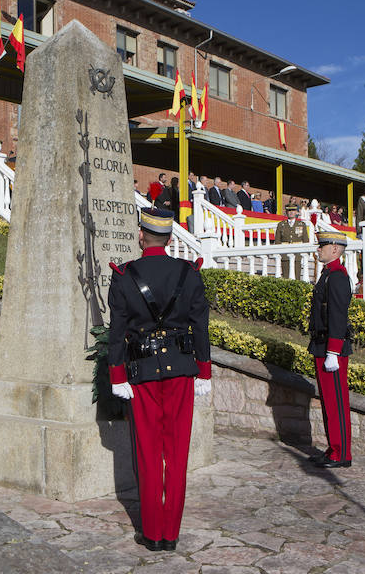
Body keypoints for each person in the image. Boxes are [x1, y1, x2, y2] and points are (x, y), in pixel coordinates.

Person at [106, 207, 211, 552]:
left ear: (142, 235)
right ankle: (171, 533)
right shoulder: (189, 272)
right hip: (181, 371)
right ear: (168, 239)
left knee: (149, 453)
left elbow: (117, 331)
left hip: (143, 373)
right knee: (177, 454)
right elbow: (200, 327)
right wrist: (204, 371)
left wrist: (117, 375)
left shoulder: (124, 275)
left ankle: (152, 533)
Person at [308, 231, 353, 468]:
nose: (319, 249)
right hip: (322, 344)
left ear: (335, 249)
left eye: (322, 246)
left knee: (336, 403)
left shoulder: (337, 276)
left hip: (331, 348)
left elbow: (337, 315)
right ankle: (333, 448)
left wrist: (333, 351)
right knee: (328, 402)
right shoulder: (328, 274)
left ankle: (342, 453)